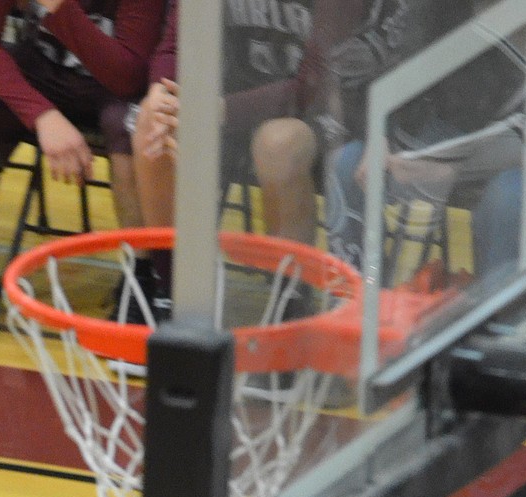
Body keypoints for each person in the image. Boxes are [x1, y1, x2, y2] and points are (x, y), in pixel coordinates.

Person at [0, 0, 164, 340]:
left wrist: (58, 8)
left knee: (130, 123)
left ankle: (142, 278)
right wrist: (41, 115)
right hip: (43, 69)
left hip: (115, 85)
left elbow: (127, 78)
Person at [326, 0, 526, 282]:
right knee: (348, 163)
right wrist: (378, 135)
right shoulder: (456, 36)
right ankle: (352, 300)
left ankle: (504, 318)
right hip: (465, 163)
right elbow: (392, 88)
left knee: (510, 194)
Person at [131, 0, 361, 318]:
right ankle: (175, 294)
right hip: (223, 106)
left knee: (278, 143)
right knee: (150, 123)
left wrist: (217, 111)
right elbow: (173, 47)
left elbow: (314, 83)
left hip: (319, 113)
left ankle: (290, 304)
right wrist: (162, 94)